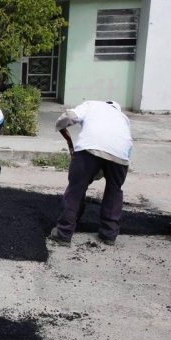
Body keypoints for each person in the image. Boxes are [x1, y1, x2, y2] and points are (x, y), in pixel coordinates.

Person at [48, 100, 132, 247]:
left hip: (89, 149)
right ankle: (109, 235)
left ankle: (63, 234)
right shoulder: (122, 117)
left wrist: (59, 124)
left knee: (76, 190)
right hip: (121, 154)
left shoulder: (91, 105)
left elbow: (71, 117)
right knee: (114, 190)